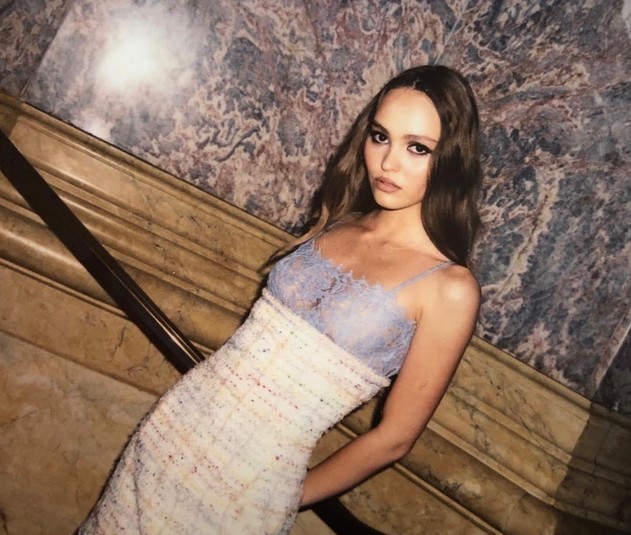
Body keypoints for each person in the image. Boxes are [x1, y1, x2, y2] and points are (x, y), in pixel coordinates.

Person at [78, 64, 482, 535]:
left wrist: (284, 496)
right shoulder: (341, 221)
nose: (388, 163)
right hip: (170, 435)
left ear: (451, 159)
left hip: (252, 489)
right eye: (380, 137)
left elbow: (394, 439)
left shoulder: (450, 288)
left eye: (417, 148)